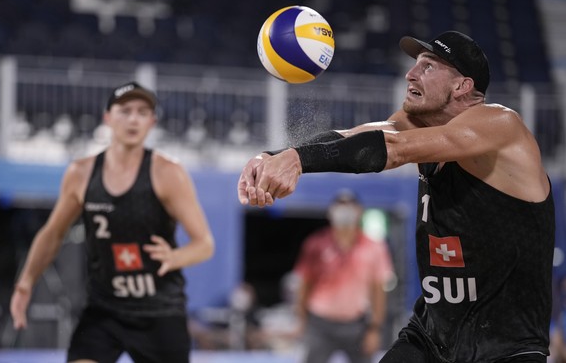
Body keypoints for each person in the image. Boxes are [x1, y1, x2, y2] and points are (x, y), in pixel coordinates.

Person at [237, 31, 555, 362]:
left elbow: (393, 150)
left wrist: (299, 161)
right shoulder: (416, 123)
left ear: (462, 86)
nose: (411, 74)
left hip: (508, 346)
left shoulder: (502, 124)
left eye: (428, 66)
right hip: (432, 337)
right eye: (415, 64)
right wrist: (275, 156)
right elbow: (352, 137)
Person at [10, 81, 215, 363]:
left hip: (159, 312)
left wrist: (175, 256)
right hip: (105, 309)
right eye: (125, 110)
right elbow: (53, 233)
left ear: (152, 122)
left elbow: (204, 244)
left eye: (142, 112)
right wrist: (26, 282)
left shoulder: (168, 173)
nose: (133, 119)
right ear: (108, 117)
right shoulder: (81, 173)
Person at [293, 189, 393, 363]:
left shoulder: (374, 247)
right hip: (320, 325)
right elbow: (304, 285)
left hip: (357, 325)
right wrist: (302, 320)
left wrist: (375, 329)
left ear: (359, 211)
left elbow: (378, 290)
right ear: (331, 212)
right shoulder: (315, 244)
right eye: (340, 206)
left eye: (350, 206)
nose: (344, 211)